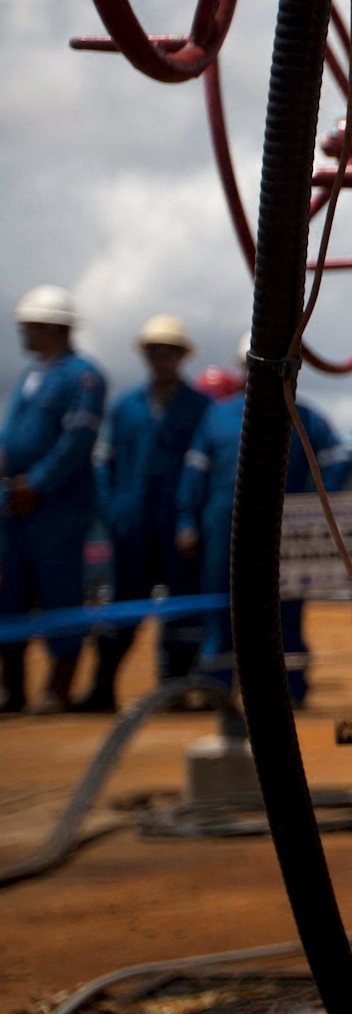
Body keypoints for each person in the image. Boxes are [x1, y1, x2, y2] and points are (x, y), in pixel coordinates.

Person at [177, 337, 343, 705]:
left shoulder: (306, 416)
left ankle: (290, 688)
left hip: (288, 529)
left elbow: (334, 463)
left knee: (286, 610)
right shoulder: (218, 415)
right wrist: (187, 521)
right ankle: (217, 688)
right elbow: (195, 472)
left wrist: (318, 512)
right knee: (221, 604)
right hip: (224, 526)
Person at [86, 314, 213, 711]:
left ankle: (173, 691)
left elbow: (204, 469)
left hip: (179, 527)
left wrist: (191, 518)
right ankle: (101, 689)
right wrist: (110, 510)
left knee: (181, 612)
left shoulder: (200, 408)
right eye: (155, 351)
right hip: (131, 525)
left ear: (181, 357)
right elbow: (104, 464)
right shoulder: (125, 407)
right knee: (122, 607)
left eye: (170, 351)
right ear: (146, 355)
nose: (162, 358)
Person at [0, 287, 107, 715]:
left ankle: (57, 690)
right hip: (14, 506)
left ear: (50, 327)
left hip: (57, 510)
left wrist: (38, 485)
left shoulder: (83, 376)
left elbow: (78, 440)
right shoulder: (30, 375)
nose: (22, 333)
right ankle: (12, 689)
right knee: (9, 595)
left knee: (60, 593)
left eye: (28, 325)